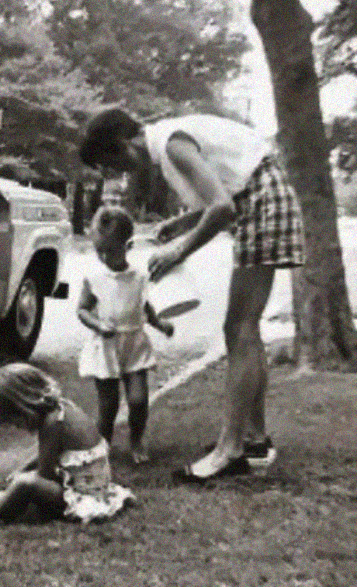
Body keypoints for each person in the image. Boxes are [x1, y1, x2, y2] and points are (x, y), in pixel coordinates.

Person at [78, 109, 305, 483]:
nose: (120, 173)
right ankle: (255, 440)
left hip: (262, 201)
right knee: (244, 329)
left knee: (240, 328)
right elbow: (220, 198)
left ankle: (229, 449)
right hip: (261, 199)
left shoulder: (171, 144)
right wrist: (182, 224)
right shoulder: (169, 142)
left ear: (122, 144)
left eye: (112, 162)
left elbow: (223, 208)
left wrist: (178, 250)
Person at [0, 361, 135, 533]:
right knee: (21, 478)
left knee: (25, 484)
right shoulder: (63, 408)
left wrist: (19, 485)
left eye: (15, 422)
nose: (18, 427)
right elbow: (47, 454)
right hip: (96, 489)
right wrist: (21, 469)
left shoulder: (52, 424)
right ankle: (7, 499)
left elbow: (45, 475)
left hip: (83, 499)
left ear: (23, 407)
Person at [77, 205, 174, 464]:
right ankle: (103, 445)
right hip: (106, 345)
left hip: (134, 342)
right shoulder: (94, 277)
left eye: (110, 250)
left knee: (138, 399)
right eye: (99, 250)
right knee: (108, 404)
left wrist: (160, 324)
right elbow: (82, 310)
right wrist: (98, 325)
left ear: (127, 246)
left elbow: (145, 307)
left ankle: (136, 439)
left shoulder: (139, 277)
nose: (104, 256)